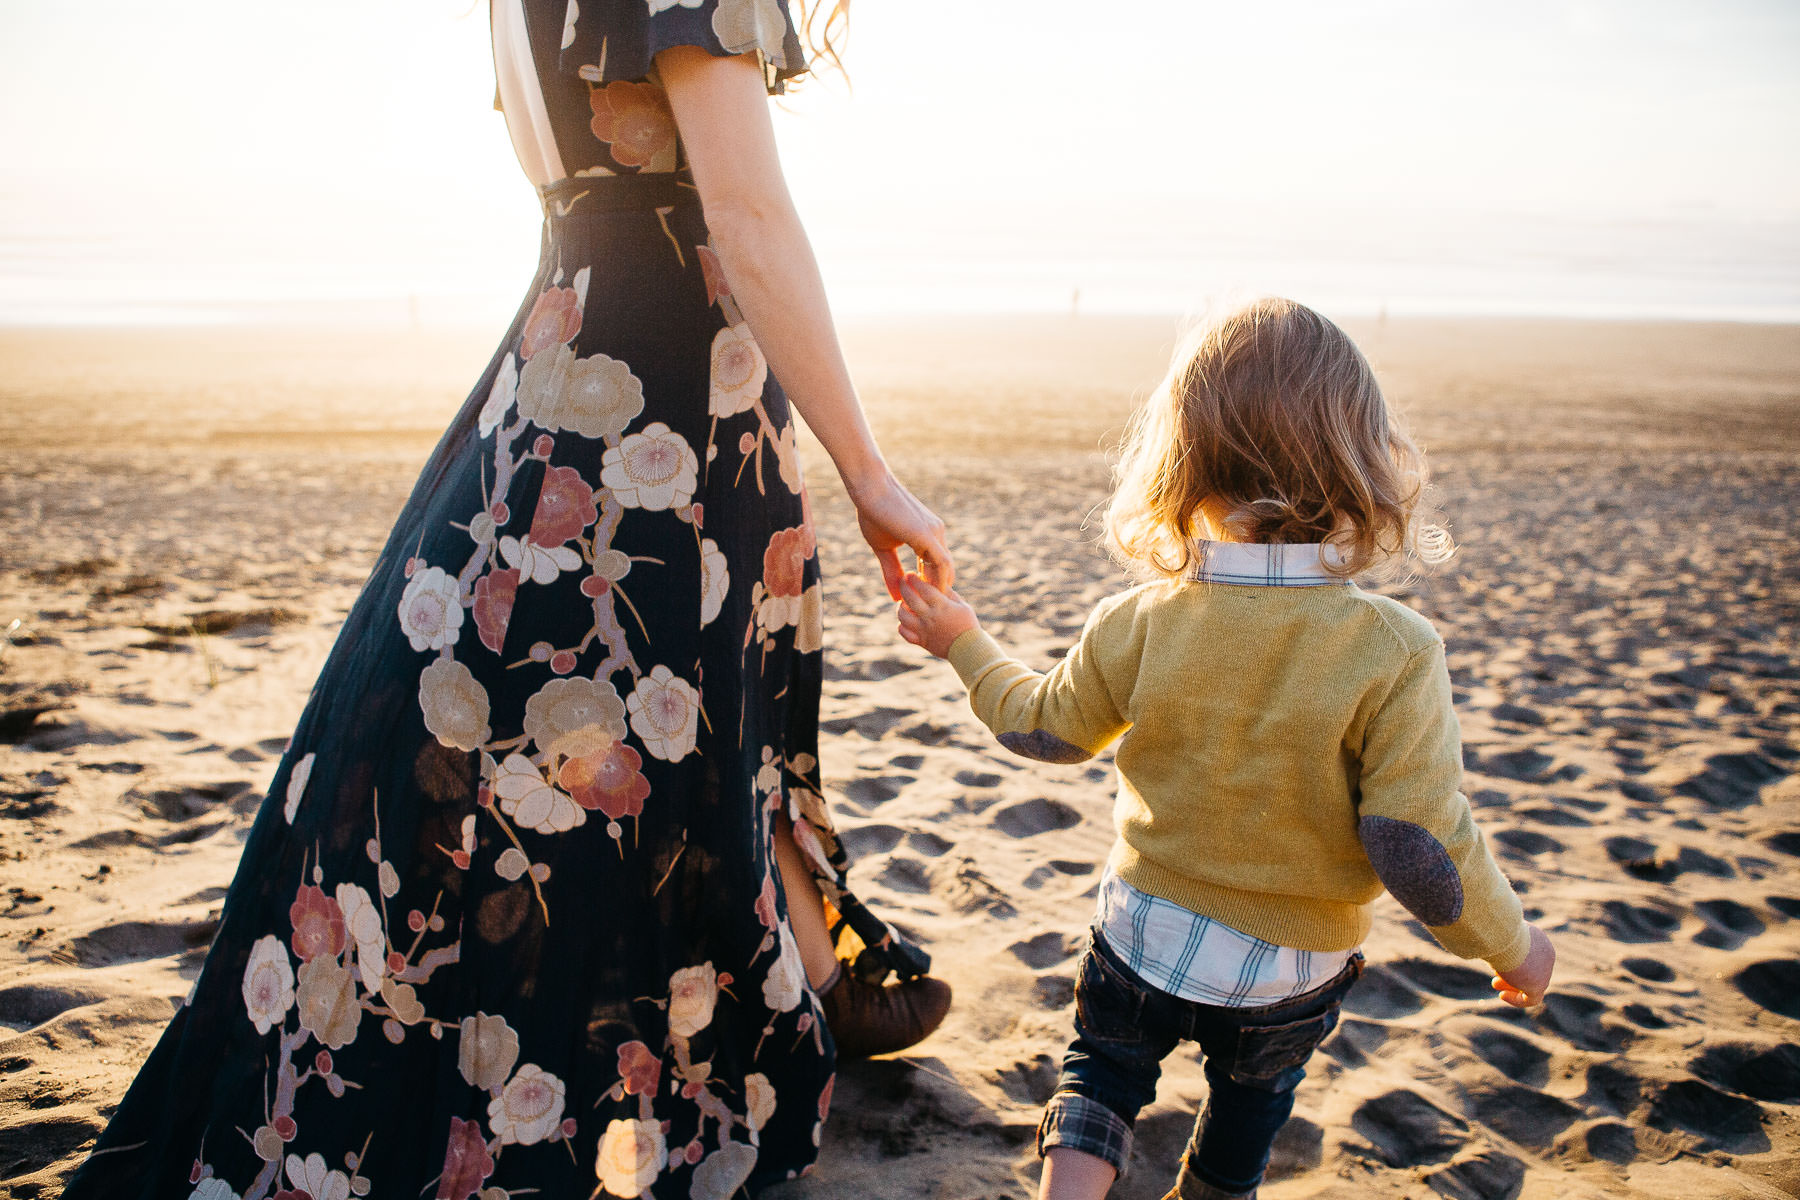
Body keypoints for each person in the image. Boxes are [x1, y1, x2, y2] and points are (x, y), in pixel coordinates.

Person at [61, 2, 952, 1196]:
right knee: (674, 729)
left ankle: (819, 986)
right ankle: (745, 1023)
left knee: (615, 728)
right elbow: (742, 210)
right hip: (665, 387)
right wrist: (871, 474)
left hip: (560, 354)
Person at [893, 297, 1556, 1200]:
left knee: (1102, 1079)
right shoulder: (1397, 648)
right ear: (1359, 460)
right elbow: (1417, 842)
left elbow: (1041, 728)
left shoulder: (1143, 616)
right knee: (1246, 1115)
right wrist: (1510, 948)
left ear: (1183, 459)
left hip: (1141, 931)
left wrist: (963, 641)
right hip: (1286, 974)